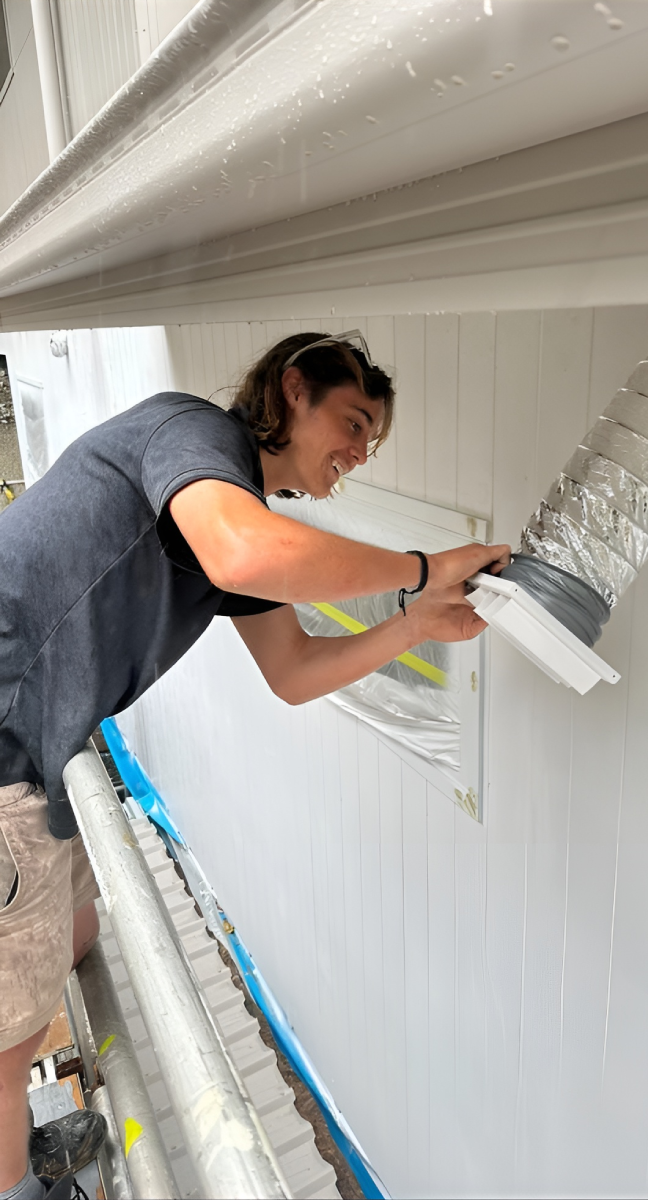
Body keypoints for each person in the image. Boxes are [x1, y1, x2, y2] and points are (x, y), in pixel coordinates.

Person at [0, 329, 510, 1197]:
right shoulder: (193, 435)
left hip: (41, 746)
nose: (359, 451)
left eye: (372, 441)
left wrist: (413, 626)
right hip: (8, 750)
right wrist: (424, 570)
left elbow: (294, 671)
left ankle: (15, 1142)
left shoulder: (234, 512)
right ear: (293, 389)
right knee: (7, 1040)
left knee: (70, 942)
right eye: (353, 420)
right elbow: (245, 551)